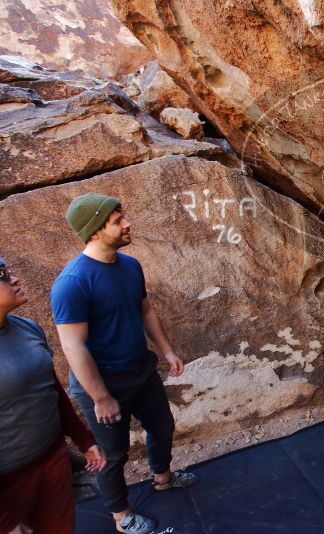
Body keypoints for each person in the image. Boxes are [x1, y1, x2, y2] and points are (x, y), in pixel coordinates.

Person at [50, 194, 198, 534]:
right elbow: (73, 346)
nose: (127, 223)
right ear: (95, 231)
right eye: (117, 221)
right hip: (103, 384)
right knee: (112, 454)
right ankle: (121, 515)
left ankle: (163, 477)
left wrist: (167, 351)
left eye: (123, 217)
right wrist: (100, 396)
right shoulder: (72, 284)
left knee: (162, 429)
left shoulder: (130, 265)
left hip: (142, 372)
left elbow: (145, 309)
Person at [0, 257, 106, 534]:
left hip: (52, 461)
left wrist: (83, 439)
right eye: (2, 275)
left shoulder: (27, 328)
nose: (14, 279)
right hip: (7, 482)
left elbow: (51, 389)